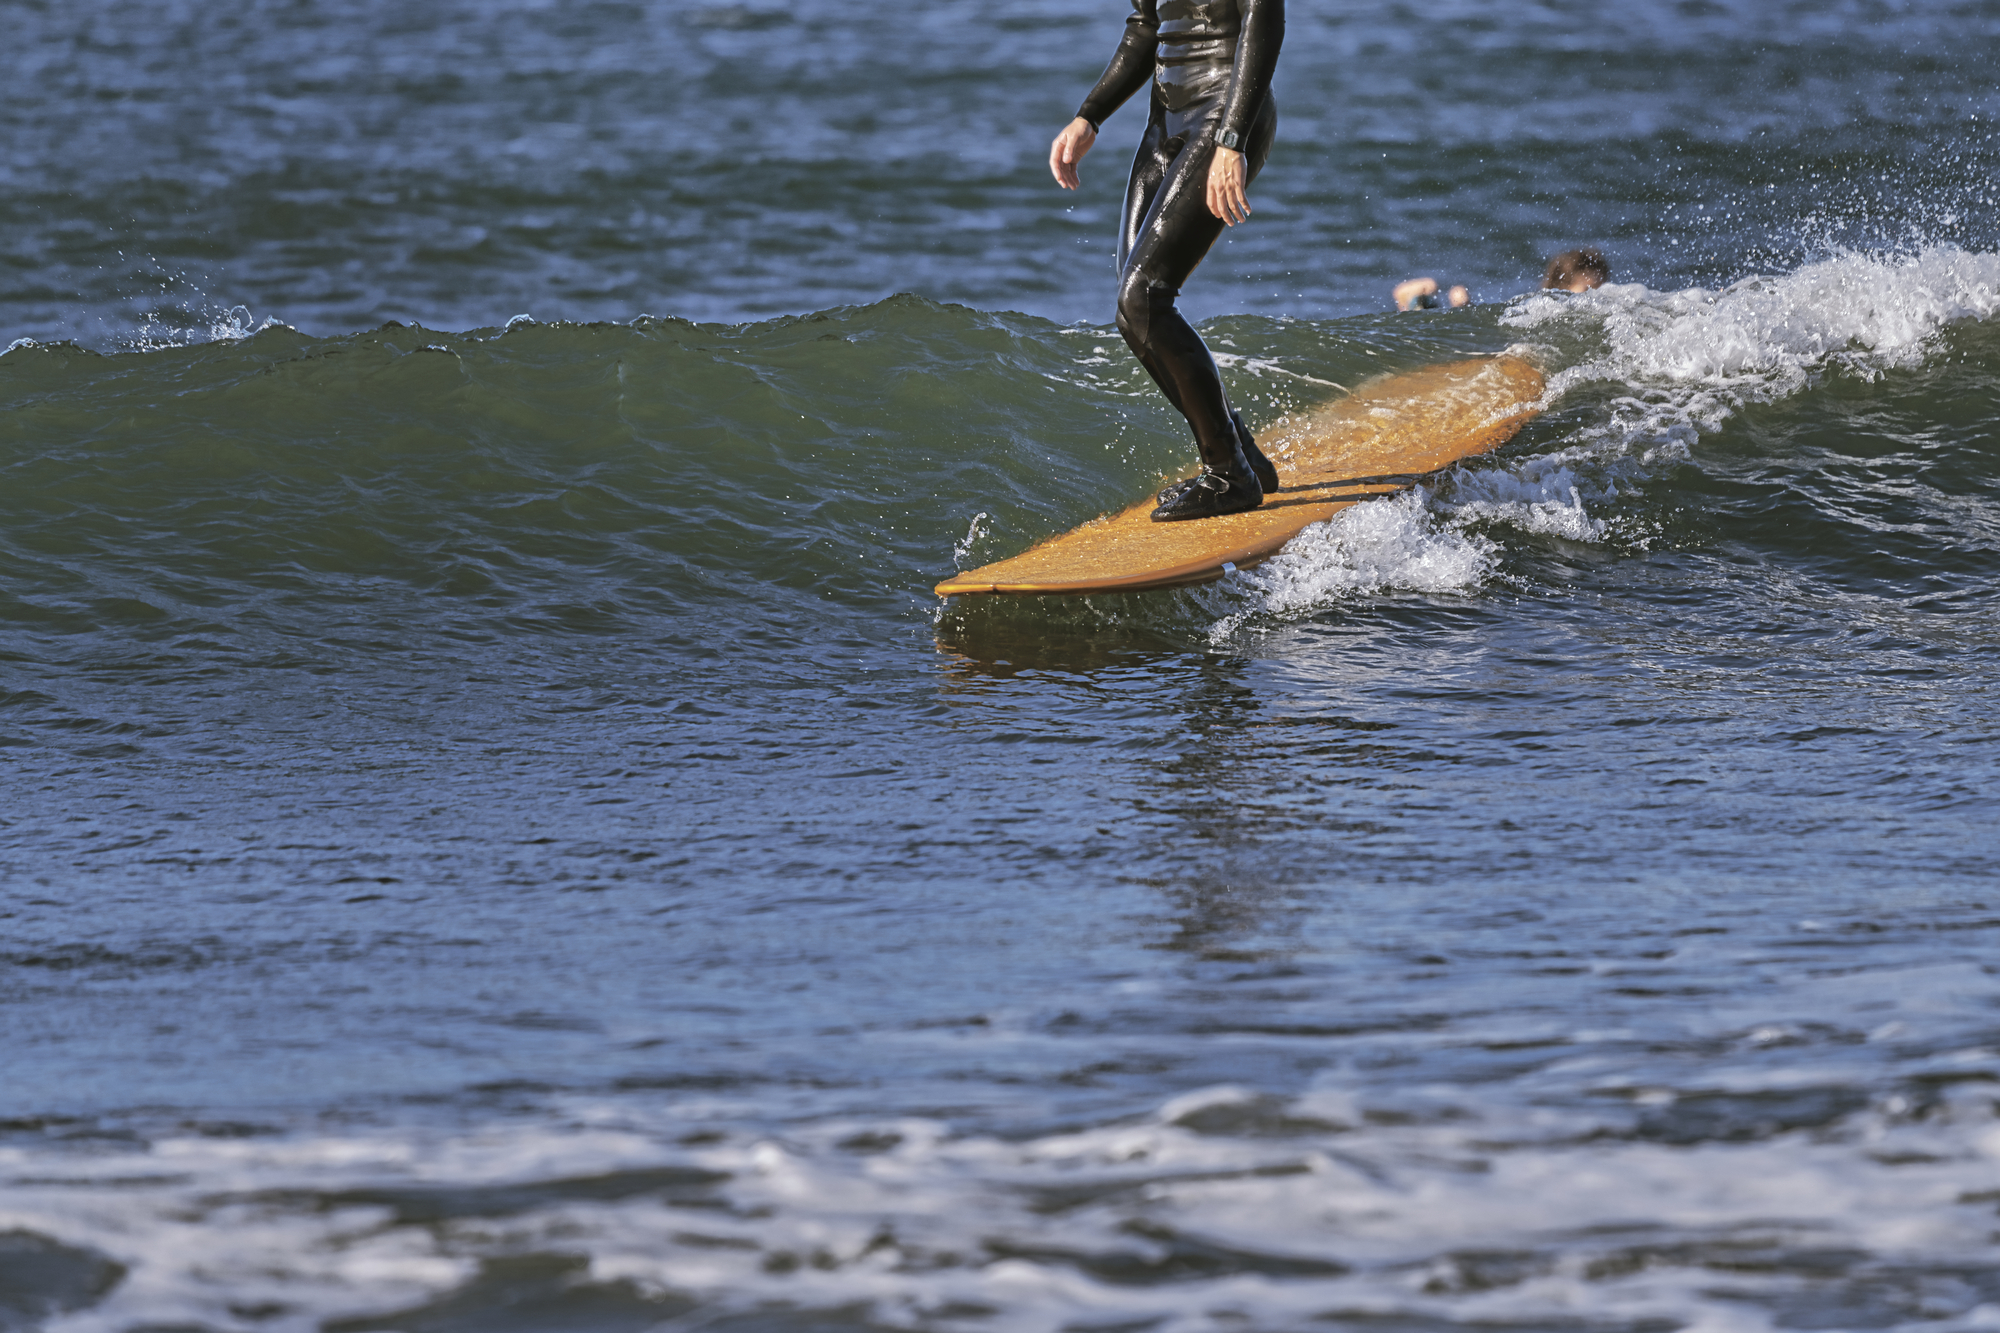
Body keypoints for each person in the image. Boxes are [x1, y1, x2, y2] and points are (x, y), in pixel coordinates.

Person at [1048, 0, 1284, 522]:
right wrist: (1090, 115)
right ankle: (1241, 458)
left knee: (1144, 297)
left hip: (1224, 116)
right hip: (1166, 122)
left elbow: (1262, 20)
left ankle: (1229, 476)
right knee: (1134, 307)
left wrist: (1232, 139)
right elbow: (1147, 26)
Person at [1392, 248, 1611, 310]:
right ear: (1559, 288)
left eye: (1601, 288)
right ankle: (1414, 302)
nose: (1597, 296)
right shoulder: (1540, 310)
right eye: (1588, 289)